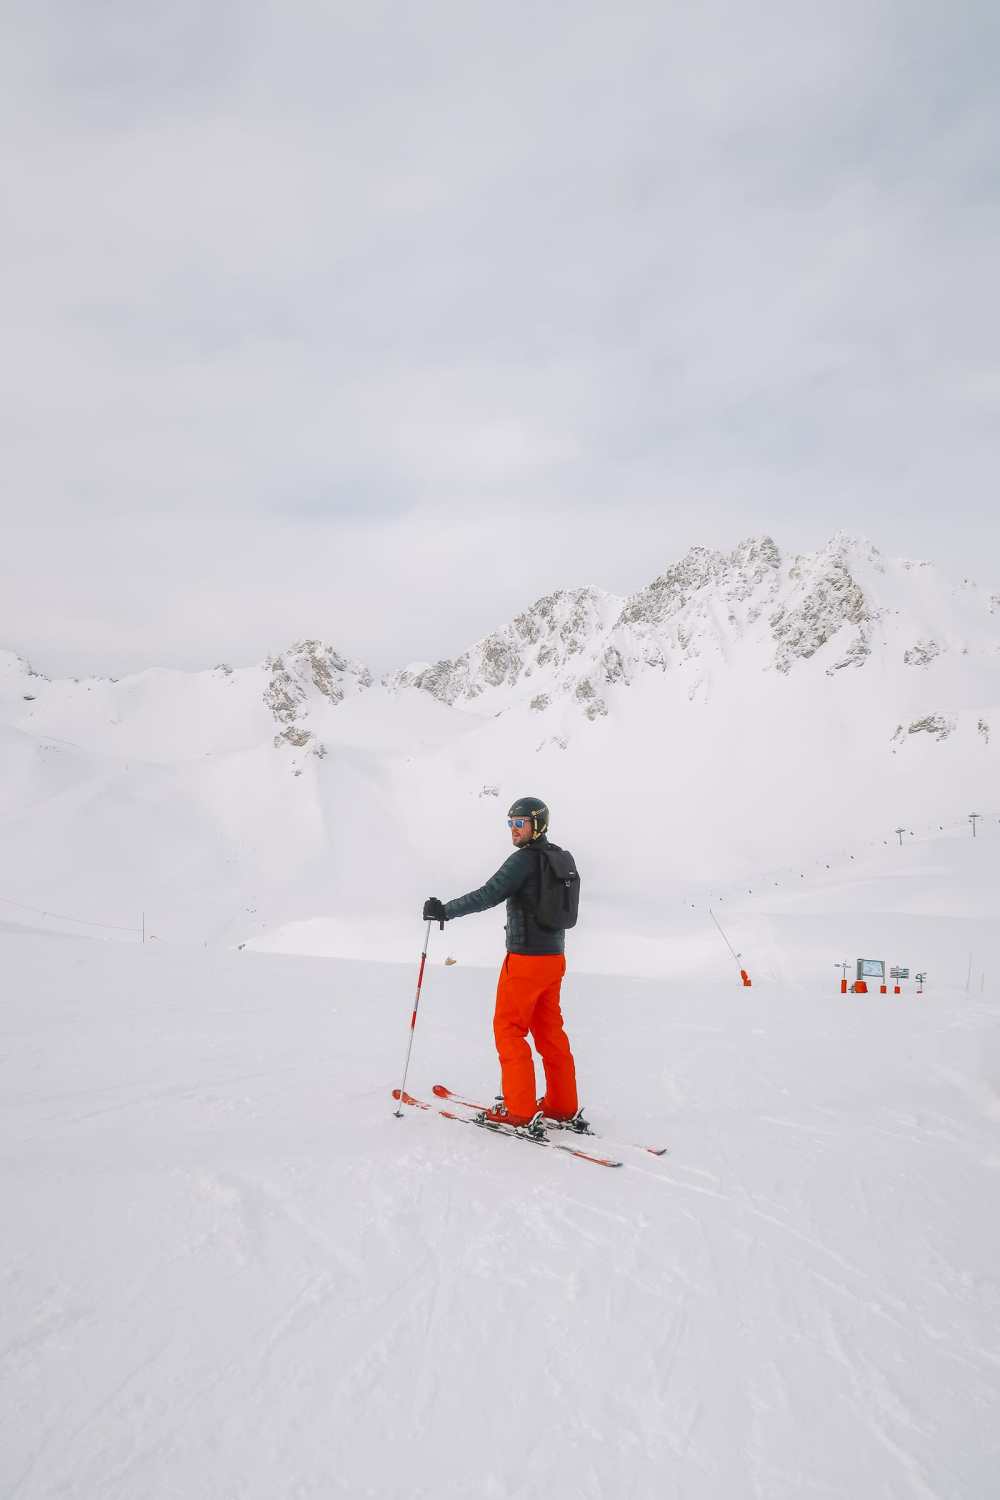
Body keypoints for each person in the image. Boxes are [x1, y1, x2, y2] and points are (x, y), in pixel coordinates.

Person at [423, 796, 579, 1129]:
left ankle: (519, 1110)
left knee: (508, 1030)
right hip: (554, 959)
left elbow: (488, 893)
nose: (514, 830)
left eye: (520, 823)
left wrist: (445, 910)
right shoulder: (559, 858)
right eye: (510, 823)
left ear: (537, 825)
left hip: (525, 962)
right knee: (550, 1031)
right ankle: (562, 1104)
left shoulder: (523, 861)